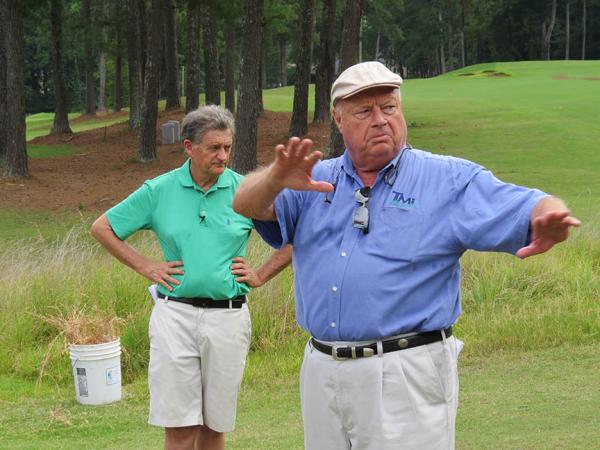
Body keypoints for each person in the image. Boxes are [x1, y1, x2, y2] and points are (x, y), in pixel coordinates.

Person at [232, 61, 581, 450]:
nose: (380, 120)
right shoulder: (315, 180)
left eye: (390, 107)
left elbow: (527, 203)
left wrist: (549, 213)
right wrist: (275, 178)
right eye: (365, 111)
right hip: (322, 370)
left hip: (404, 371)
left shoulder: (446, 179)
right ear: (338, 118)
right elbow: (246, 203)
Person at [91, 105, 292, 450]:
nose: (223, 155)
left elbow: (298, 236)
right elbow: (102, 227)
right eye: (214, 148)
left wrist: (260, 274)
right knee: (181, 429)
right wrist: (146, 266)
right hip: (175, 317)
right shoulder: (159, 190)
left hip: (229, 318)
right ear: (188, 147)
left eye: (227, 147)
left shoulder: (246, 190)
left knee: (215, 427)